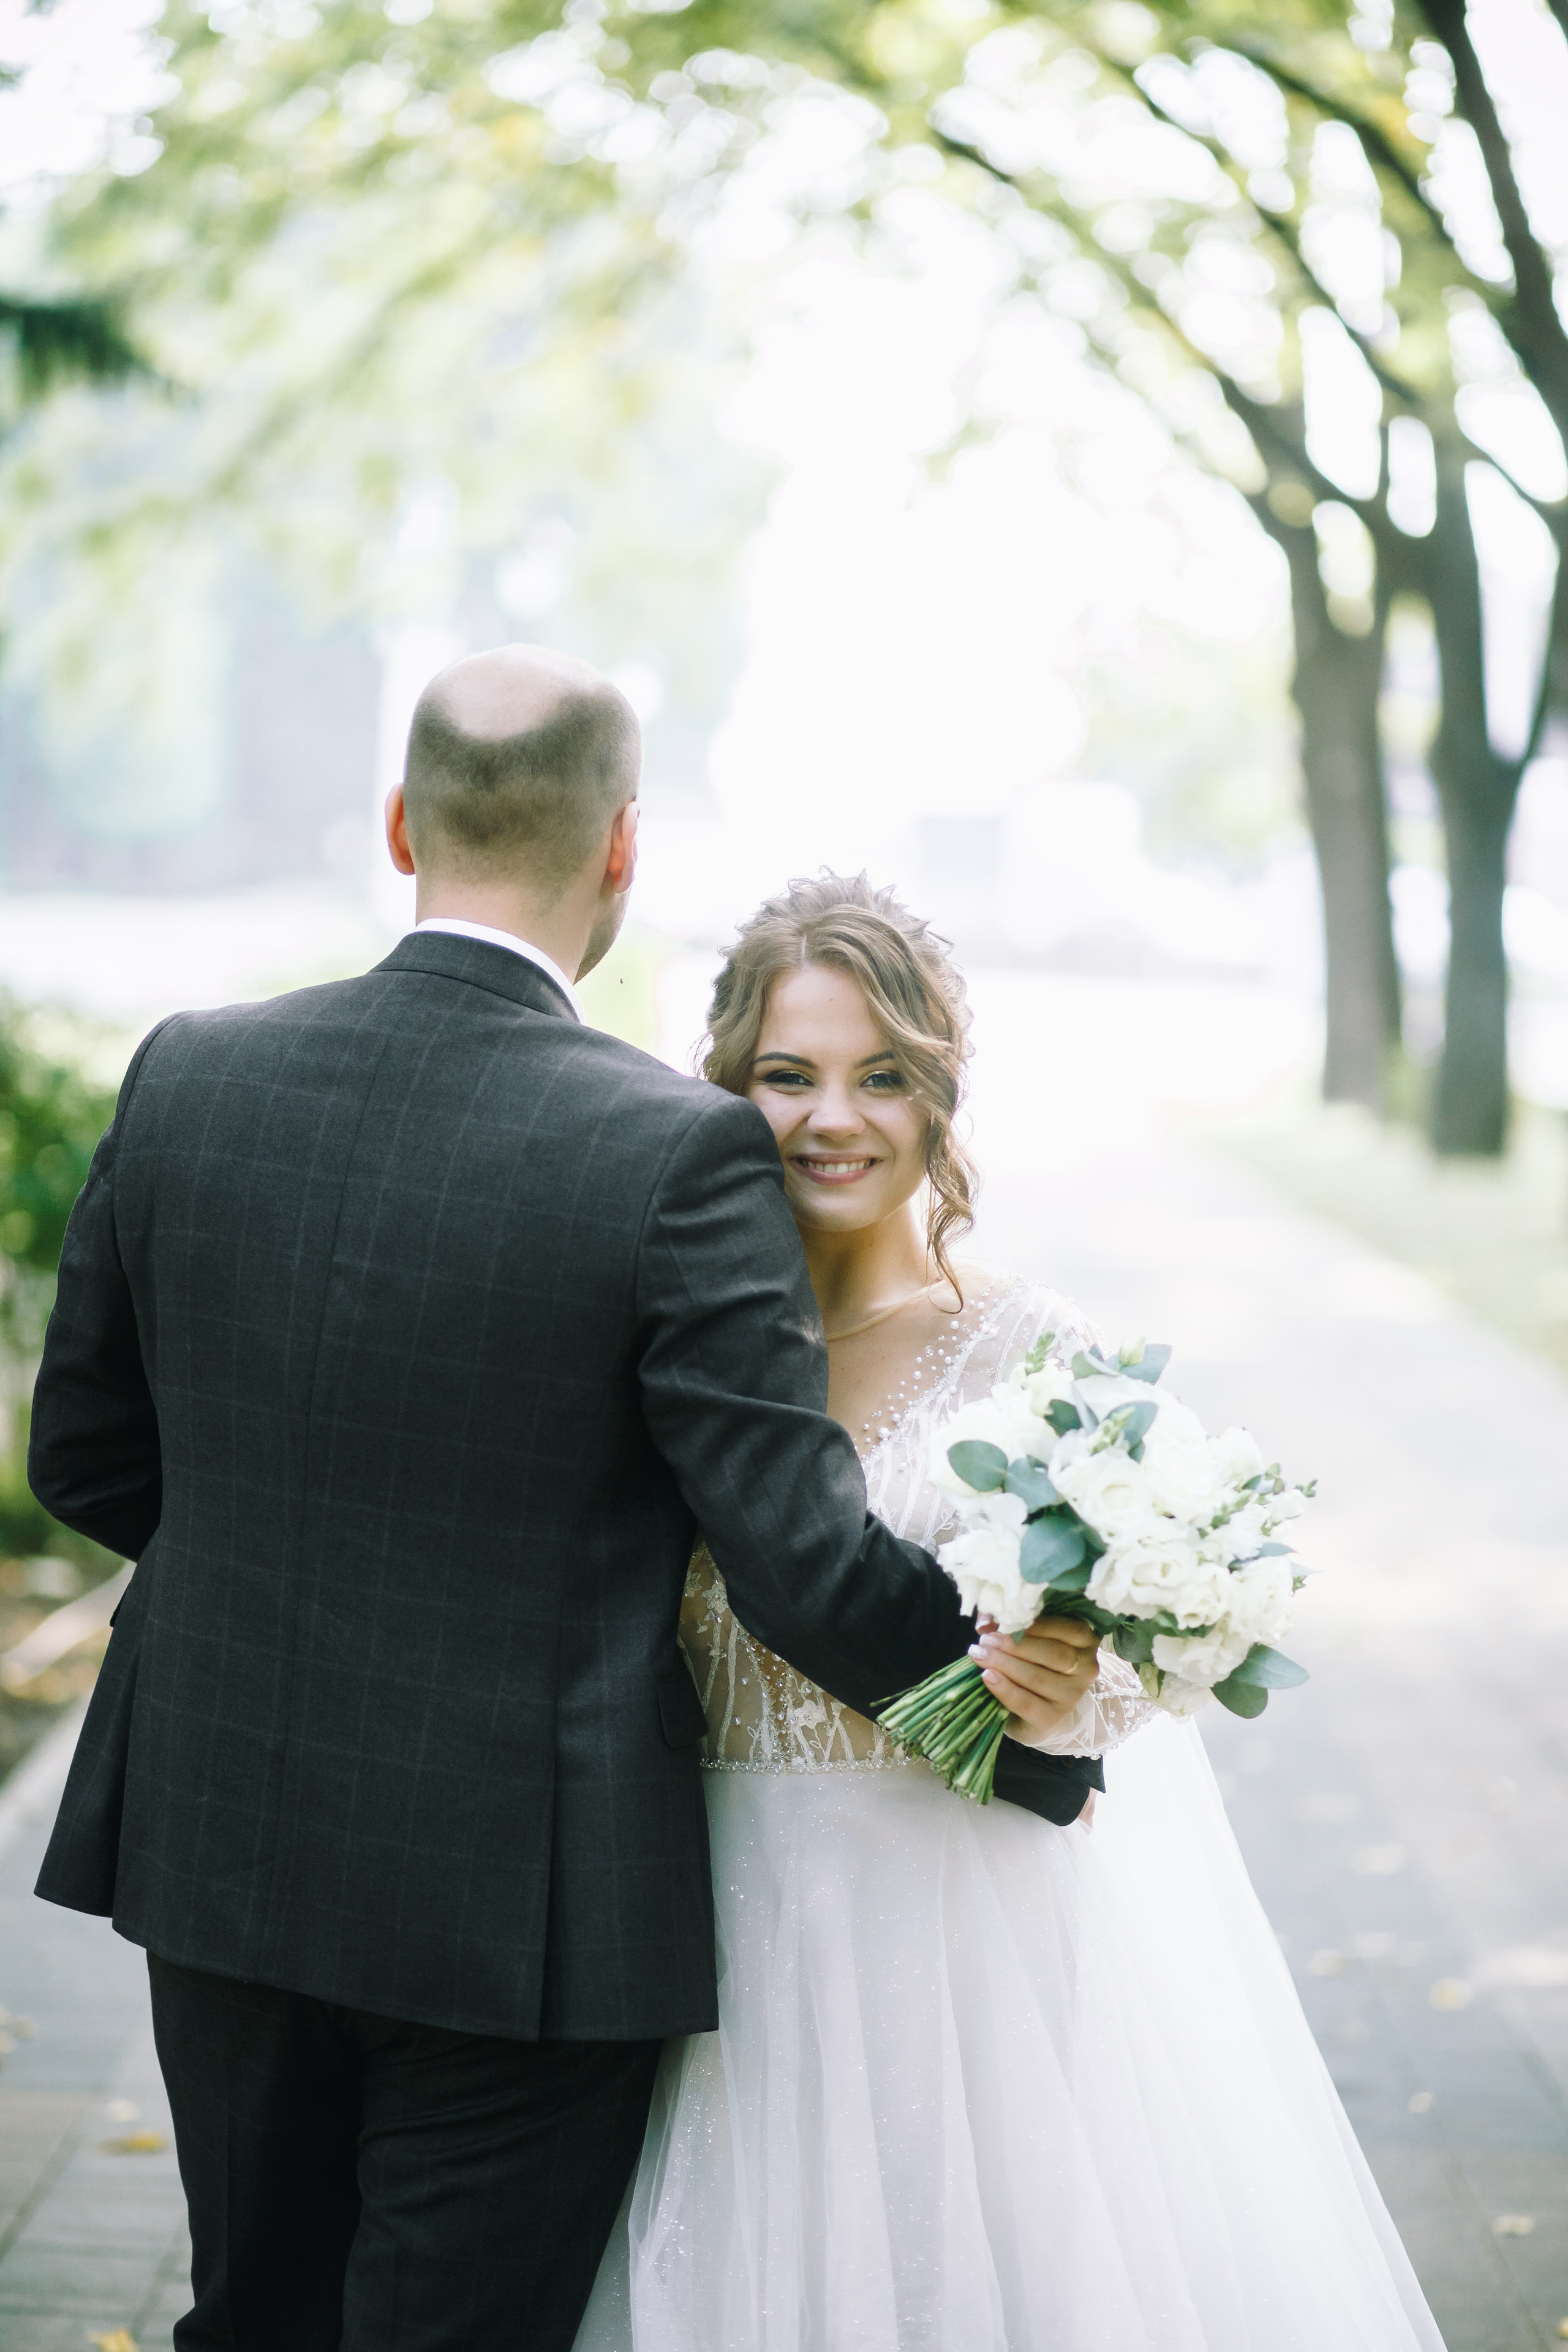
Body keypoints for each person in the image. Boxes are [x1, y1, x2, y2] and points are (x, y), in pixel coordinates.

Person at [26, 646, 1103, 2352]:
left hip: (218, 1841)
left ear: (399, 823)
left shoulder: (188, 1073)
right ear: (622, 851)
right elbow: (800, 1560)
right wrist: (1023, 1729)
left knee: (254, 2318)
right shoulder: (669, 1150)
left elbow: (80, 1455)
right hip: (517, 1905)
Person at [573, 872, 1447, 2352]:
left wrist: (1075, 1692)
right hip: (702, 1923)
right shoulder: (667, 1342)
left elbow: (1132, 1662)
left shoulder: (1036, 1354)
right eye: (787, 1075)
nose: (831, 1118)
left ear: (937, 1096)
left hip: (954, 1930)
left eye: (880, 1077)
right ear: (726, 1087)